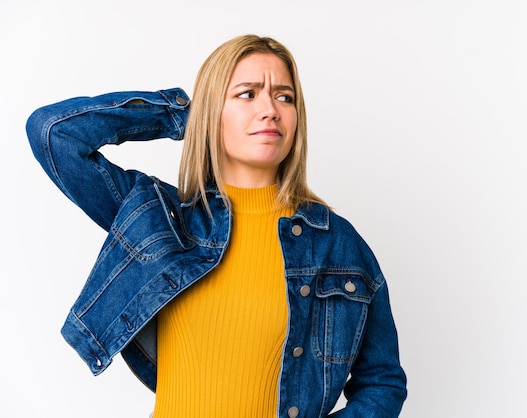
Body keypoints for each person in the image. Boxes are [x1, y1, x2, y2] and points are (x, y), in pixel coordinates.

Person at [26, 34, 407, 417]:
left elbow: (382, 381)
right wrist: (183, 115)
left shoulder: (337, 245)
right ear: (213, 110)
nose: (270, 109)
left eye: (284, 96)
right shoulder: (160, 220)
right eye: (247, 94)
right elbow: (53, 133)